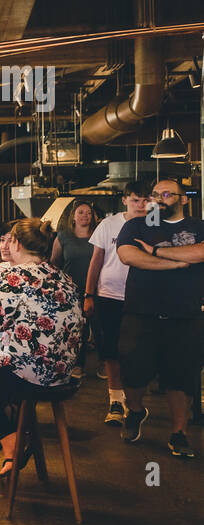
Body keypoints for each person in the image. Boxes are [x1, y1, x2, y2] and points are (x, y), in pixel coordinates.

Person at [0, 219, 83, 478]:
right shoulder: (62, 276)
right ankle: (14, 444)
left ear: (16, 242)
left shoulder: (17, 275)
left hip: (27, 373)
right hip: (60, 373)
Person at [115, 178, 202, 459]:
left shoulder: (198, 226)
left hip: (184, 314)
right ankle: (137, 410)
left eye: (166, 194)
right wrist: (176, 263)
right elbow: (128, 255)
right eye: (155, 194)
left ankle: (179, 433)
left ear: (184, 199)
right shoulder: (137, 225)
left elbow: (200, 252)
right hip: (141, 312)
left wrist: (154, 251)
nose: (158, 199)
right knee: (134, 372)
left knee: (181, 378)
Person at [85, 180, 151, 427]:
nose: (141, 205)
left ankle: (134, 403)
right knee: (110, 349)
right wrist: (89, 294)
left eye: (146, 200)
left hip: (142, 297)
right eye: (135, 200)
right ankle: (114, 399)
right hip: (109, 295)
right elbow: (96, 260)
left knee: (136, 352)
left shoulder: (154, 225)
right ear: (125, 200)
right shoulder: (108, 224)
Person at [51, 200, 98, 377]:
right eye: (80, 212)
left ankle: (104, 363)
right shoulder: (63, 236)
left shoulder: (98, 235)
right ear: (73, 216)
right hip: (71, 290)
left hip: (96, 288)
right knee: (77, 329)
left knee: (99, 327)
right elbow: (54, 263)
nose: (85, 216)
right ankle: (78, 364)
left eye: (88, 212)